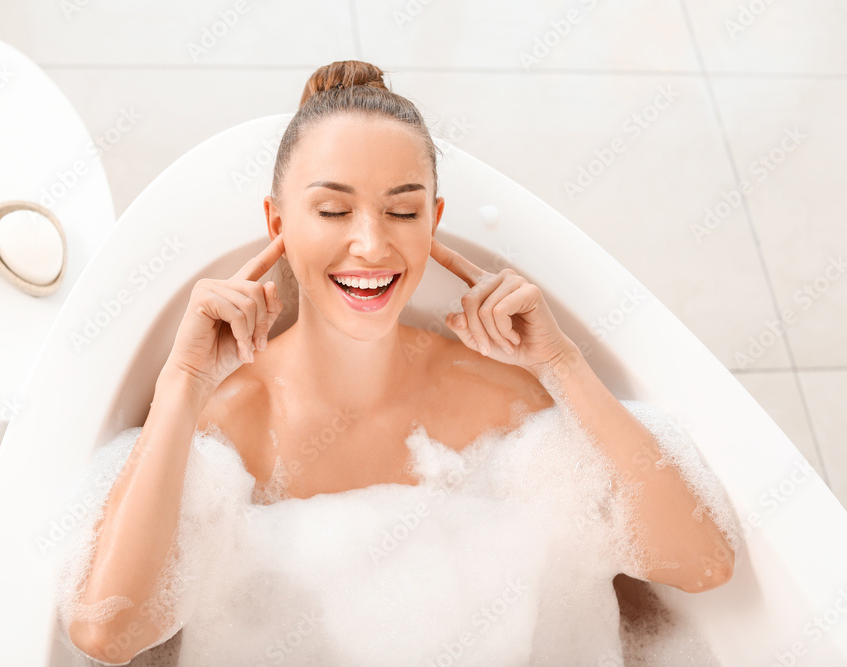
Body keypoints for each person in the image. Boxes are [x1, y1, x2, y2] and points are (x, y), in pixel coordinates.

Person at [64, 60, 737, 665]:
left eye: (403, 210)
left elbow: (703, 563)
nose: (370, 242)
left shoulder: (495, 395)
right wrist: (181, 383)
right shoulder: (222, 422)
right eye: (332, 209)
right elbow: (107, 634)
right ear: (276, 222)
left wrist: (560, 363)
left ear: (433, 219)